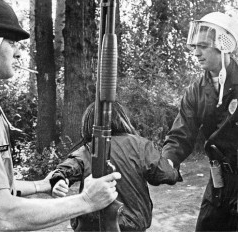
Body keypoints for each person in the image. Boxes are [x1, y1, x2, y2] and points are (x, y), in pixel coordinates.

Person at [0, 0, 121, 231]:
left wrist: (41, 185)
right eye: (12, 42)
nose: (19, 51)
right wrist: (86, 201)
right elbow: (3, 216)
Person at [49, 101, 180, 231]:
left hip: (91, 226)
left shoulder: (88, 149)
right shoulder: (140, 146)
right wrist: (171, 165)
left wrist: (59, 179)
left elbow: (67, 168)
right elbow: (166, 175)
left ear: (89, 123)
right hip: (131, 226)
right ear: (122, 119)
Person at [162, 12, 238, 231]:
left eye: (203, 46)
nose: (196, 53)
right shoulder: (195, 90)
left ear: (224, 44)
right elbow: (180, 134)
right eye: (195, 46)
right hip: (218, 180)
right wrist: (168, 161)